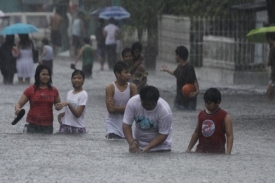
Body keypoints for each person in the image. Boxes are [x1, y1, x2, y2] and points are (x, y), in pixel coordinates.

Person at [123, 85, 173, 153]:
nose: (147, 107)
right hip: (138, 145)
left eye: (150, 105)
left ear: (156, 101)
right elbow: (126, 125)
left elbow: (163, 134)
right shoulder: (133, 102)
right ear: (141, 99)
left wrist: (148, 147)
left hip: (161, 147)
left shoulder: (165, 111)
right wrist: (131, 142)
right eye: (144, 104)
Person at [14, 64, 61, 134]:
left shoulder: (54, 90)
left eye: (48, 75)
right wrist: (18, 109)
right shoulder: (30, 89)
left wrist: (61, 106)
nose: (46, 76)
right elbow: (19, 104)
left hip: (48, 126)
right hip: (32, 125)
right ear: (38, 75)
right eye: (43, 74)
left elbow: (58, 106)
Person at [186, 88, 234, 154]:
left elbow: (229, 135)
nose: (206, 105)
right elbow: (197, 132)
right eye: (205, 102)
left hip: (218, 154)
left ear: (217, 102)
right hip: (200, 152)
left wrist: (228, 154)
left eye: (209, 103)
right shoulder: (201, 115)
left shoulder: (225, 117)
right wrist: (188, 149)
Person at [105, 61, 138, 139]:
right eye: (126, 72)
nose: (129, 75)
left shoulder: (132, 87)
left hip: (126, 125)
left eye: (130, 72)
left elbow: (136, 107)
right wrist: (129, 107)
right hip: (112, 125)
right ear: (117, 74)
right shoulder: (110, 87)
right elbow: (110, 110)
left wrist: (116, 108)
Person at [161, 45, 199, 110]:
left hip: (189, 100)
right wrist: (167, 70)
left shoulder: (189, 67)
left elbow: (194, 80)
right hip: (179, 99)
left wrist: (197, 91)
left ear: (178, 56)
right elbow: (174, 73)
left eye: (176, 55)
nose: (175, 57)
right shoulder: (179, 67)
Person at [56, 70, 88, 134]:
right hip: (65, 126)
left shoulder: (84, 94)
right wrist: (62, 114)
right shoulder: (69, 93)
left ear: (83, 80)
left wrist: (68, 103)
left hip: (77, 128)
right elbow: (70, 110)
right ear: (71, 80)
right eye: (74, 78)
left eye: (79, 78)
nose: (76, 80)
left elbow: (78, 114)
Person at [266, 32, 275, 99]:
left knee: (269, 91)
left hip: (274, 73)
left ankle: (270, 100)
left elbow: (269, 62)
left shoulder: (273, 48)